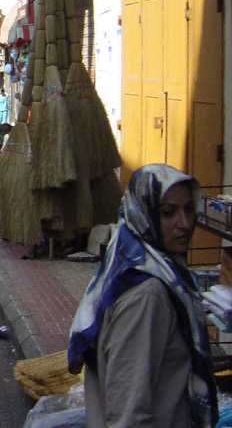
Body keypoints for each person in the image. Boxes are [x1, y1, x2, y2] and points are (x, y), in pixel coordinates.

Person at [68, 164, 218, 428]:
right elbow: (128, 412)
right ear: (143, 214)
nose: (184, 224)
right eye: (168, 213)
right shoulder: (147, 294)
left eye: (189, 209)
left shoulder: (131, 263)